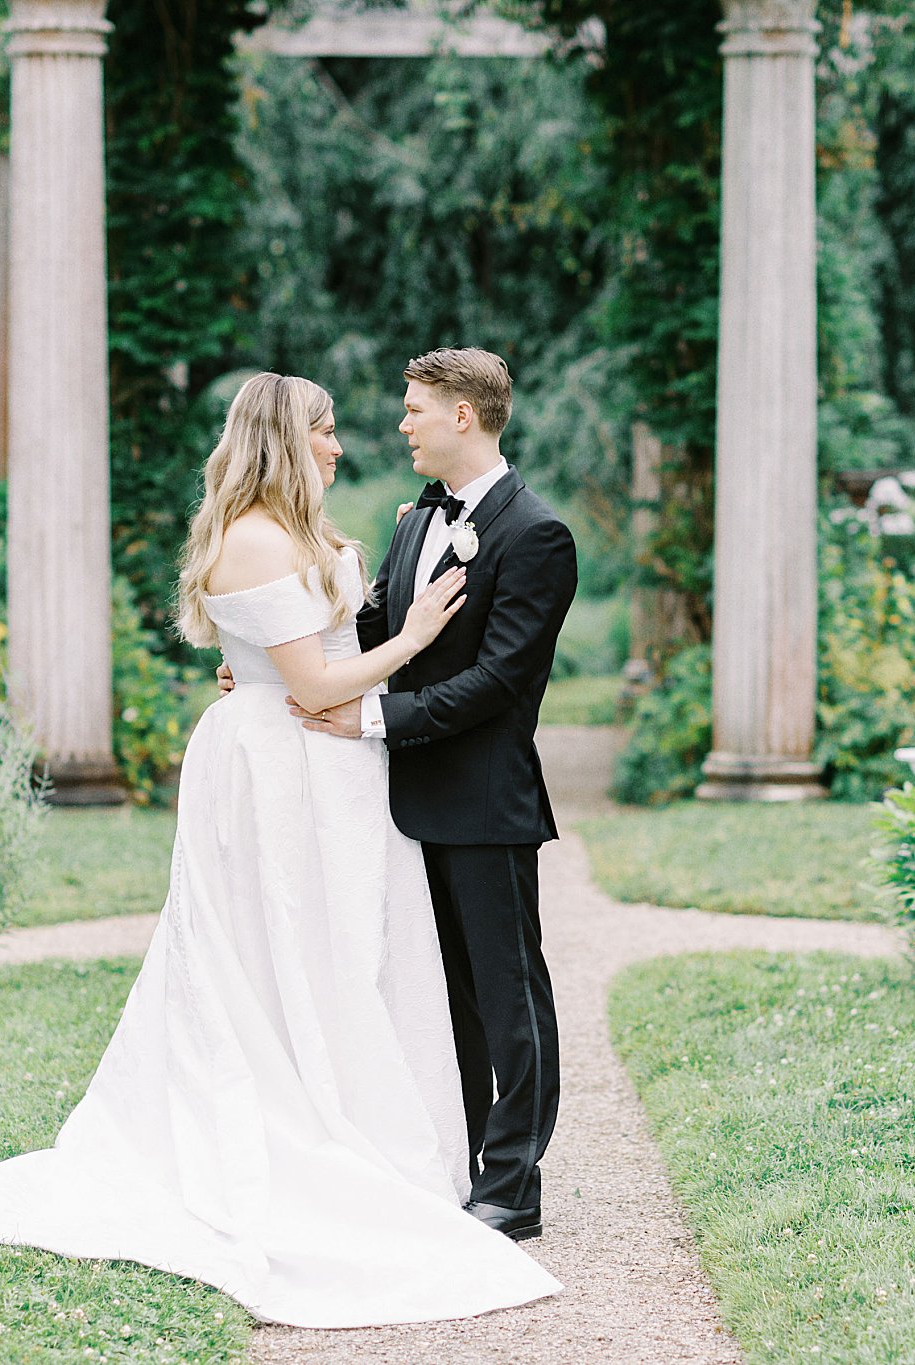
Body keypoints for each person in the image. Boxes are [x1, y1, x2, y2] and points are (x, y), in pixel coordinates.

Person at [0, 372, 559, 1329]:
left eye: (388, 416)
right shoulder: (268, 535)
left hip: (356, 766)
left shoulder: (467, 529)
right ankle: (333, 1129)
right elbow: (316, 671)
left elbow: (388, 649)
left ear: (463, 415)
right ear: (282, 438)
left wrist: (308, 665)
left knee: (401, 963)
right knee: (286, 951)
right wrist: (367, 647)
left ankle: (494, 1165)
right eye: (327, 429)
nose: (350, 441)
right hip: (286, 763)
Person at [283, 347, 580, 1241]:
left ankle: (513, 1185)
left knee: (506, 993)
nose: (403, 422)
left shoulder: (538, 534)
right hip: (402, 804)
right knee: (441, 996)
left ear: (464, 415)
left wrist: (373, 719)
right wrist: (279, 668)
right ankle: (457, 1159)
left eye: (416, 408)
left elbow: (499, 681)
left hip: (487, 804)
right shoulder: (415, 521)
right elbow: (373, 628)